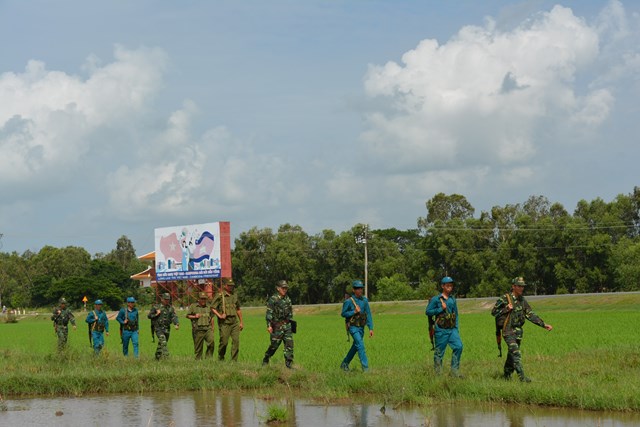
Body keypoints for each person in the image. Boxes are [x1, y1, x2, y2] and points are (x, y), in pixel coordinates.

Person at [491, 277, 553, 382]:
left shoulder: (522, 300)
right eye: (519, 286)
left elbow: (530, 314)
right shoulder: (505, 298)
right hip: (508, 331)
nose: (521, 288)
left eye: (522, 286)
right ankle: (522, 377)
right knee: (516, 353)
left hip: (518, 332)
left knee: (511, 355)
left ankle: (506, 375)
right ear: (513, 286)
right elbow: (493, 312)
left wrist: (543, 324)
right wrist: (506, 309)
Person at [425, 276, 464, 377]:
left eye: (451, 285)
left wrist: (456, 328)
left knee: (459, 347)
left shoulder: (452, 299)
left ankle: (454, 372)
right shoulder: (436, 299)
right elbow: (428, 312)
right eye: (447, 285)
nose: (450, 287)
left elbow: (456, 314)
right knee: (439, 353)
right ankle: (438, 374)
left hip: (452, 330)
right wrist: (440, 309)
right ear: (443, 286)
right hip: (441, 330)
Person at [340, 280, 374, 372]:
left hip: (361, 328)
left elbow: (368, 314)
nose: (360, 290)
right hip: (353, 327)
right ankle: (366, 369)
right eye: (357, 288)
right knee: (361, 345)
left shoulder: (364, 300)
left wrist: (371, 328)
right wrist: (353, 312)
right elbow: (343, 314)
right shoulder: (349, 301)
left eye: (361, 288)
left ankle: (344, 364)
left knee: (356, 346)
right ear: (353, 290)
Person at [262, 280, 294, 368]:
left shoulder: (287, 298)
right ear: (278, 288)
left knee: (289, 345)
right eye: (283, 288)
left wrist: (291, 323)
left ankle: (289, 365)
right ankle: (266, 358)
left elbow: (290, 312)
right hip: (277, 326)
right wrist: (269, 325)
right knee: (274, 346)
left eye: (286, 288)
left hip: (287, 326)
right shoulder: (273, 299)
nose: (285, 290)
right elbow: (269, 313)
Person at [212, 278, 243, 361]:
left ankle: (234, 361)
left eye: (232, 286)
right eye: (229, 286)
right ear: (225, 286)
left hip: (234, 322)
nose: (231, 287)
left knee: (236, 341)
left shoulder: (234, 296)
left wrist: (241, 322)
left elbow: (238, 309)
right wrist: (220, 315)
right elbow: (213, 308)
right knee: (224, 342)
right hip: (224, 323)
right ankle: (221, 357)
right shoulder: (220, 296)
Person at [148, 292, 180, 360]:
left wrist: (176, 323)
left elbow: (174, 316)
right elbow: (149, 316)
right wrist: (156, 314)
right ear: (162, 299)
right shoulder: (156, 307)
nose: (167, 301)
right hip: (158, 328)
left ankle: (157, 357)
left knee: (161, 344)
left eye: (168, 299)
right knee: (163, 341)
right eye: (165, 299)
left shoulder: (171, 308)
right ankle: (167, 357)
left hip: (167, 329)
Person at [186, 292, 215, 359]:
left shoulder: (208, 307)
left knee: (211, 343)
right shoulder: (193, 306)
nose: (203, 300)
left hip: (208, 329)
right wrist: (194, 316)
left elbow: (212, 317)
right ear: (198, 299)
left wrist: (213, 327)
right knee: (198, 348)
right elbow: (187, 316)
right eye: (202, 299)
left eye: (204, 299)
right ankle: (198, 361)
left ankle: (208, 358)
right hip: (198, 329)